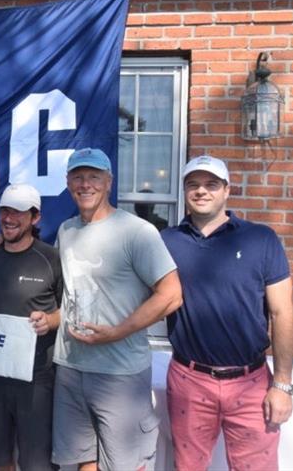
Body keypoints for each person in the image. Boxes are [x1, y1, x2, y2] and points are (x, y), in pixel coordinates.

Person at [161, 155, 293, 471]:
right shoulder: (166, 241)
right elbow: (145, 299)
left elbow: (282, 313)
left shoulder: (261, 238)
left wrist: (282, 385)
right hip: (189, 380)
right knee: (188, 467)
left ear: (226, 190)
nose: (201, 191)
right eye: (193, 185)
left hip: (251, 382)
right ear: (184, 191)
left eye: (211, 184)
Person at [52, 147, 182, 471]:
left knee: (129, 465)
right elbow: (66, 297)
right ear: (68, 182)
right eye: (78, 177)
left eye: (94, 177)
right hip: (70, 368)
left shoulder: (136, 232)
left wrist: (117, 332)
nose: (85, 184)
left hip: (119, 373)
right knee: (84, 462)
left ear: (108, 182)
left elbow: (171, 295)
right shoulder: (66, 231)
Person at [0, 183, 63, 471]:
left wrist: (49, 320)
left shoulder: (51, 258)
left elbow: (66, 311)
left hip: (37, 378)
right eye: (5, 210)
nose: (9, 218)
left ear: (35, 218)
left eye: (18, 212)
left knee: (37, 464)